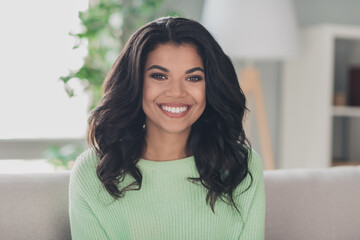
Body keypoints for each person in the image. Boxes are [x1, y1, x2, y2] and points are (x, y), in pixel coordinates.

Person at [69, 16, 265, 239]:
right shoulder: (93, 172)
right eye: (159, 76)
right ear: (136, 83)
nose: (177, 92)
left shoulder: (241, 166)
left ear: (210, 87)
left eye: (193, 78)